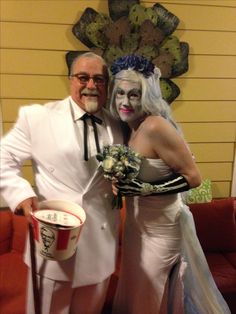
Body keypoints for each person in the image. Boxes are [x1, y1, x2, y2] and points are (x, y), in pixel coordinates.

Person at [0, 52, 124, 314]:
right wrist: (20, 193)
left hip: (100, 245)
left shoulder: (119, 125)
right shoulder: (38, 118)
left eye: (99, 79)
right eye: (83, 77)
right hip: (54, 240)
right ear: (70, 80)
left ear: (107, 85)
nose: (91, 85)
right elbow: (4, 158)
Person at [108, 55, 231, 314]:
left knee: (152, 293)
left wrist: (146, 189)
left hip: (162, 231)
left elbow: (193, 177)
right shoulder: (130, 128)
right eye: (120, 93)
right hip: (136, 228)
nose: (125, 102)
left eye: (133, 94)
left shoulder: (155, 125)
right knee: (137, 290)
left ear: (147, 95)